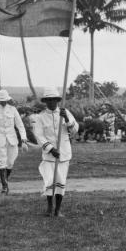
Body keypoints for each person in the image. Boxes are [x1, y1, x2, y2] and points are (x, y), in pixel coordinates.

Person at [33, 87, 78, 217]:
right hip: (49, 155)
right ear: (45, 101)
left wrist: (67, 120)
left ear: (58, 100)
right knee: (49, 181)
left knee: (61, 181)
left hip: (63, 154)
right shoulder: (40, 117)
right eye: (49, 100)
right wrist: (51, 149)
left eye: (54, 100)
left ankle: (58, 209)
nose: (51, 102)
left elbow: (75, 130)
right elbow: (39, 135)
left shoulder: (65, 112)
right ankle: (49, 207)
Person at [0, 89, 28, 194]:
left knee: (10, 163)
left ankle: (5, 181)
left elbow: (20, 125)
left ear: (8, 100)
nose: (3, 102)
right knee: (2, 162)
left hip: (12, 139)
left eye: (5, 100)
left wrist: (23, 139)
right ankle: (4, 187)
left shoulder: (13, 110)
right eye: (1, 100)